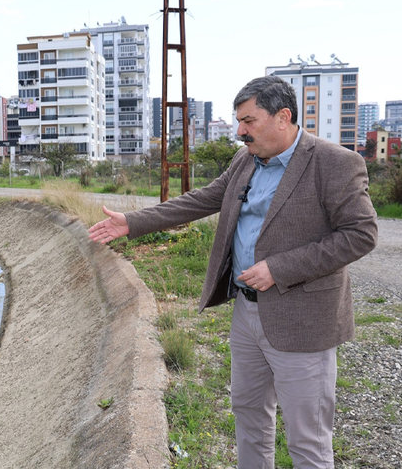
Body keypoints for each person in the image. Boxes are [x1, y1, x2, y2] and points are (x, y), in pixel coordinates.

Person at [89, 75, 377, 469]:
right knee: (248, 415)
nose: (240, 131)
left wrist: (279, 268)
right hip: (247, 312)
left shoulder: (335, 163)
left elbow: (361, 235)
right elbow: (203, 199)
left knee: (307, 437)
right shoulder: (246, 159)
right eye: (238, 121)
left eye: (248, 121)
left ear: (283, 117)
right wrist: (132, 221)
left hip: (303, 320)